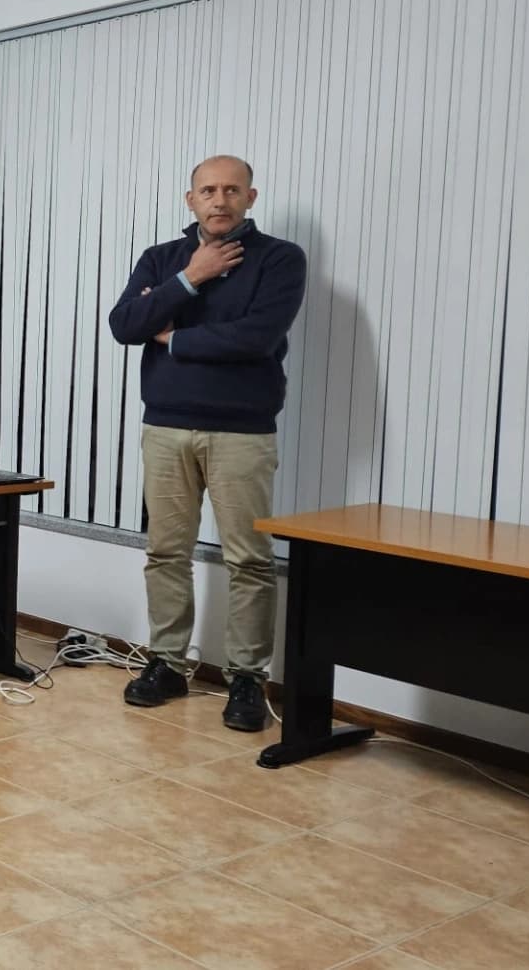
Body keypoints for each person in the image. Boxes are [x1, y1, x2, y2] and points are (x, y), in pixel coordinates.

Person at [106, 155, 307, 732]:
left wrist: (171, 335)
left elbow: (257, 338)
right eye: (209, 190)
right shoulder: (164, 259)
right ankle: (167, 664)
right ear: (190, 199)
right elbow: (124, 325)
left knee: (249, 559)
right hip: (165, 426)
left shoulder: (280, 259)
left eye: (232, 190)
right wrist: (190, 277)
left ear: (251, 197)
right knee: (166, 551)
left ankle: (247, 677)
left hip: (242, 431)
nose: (220, 200)